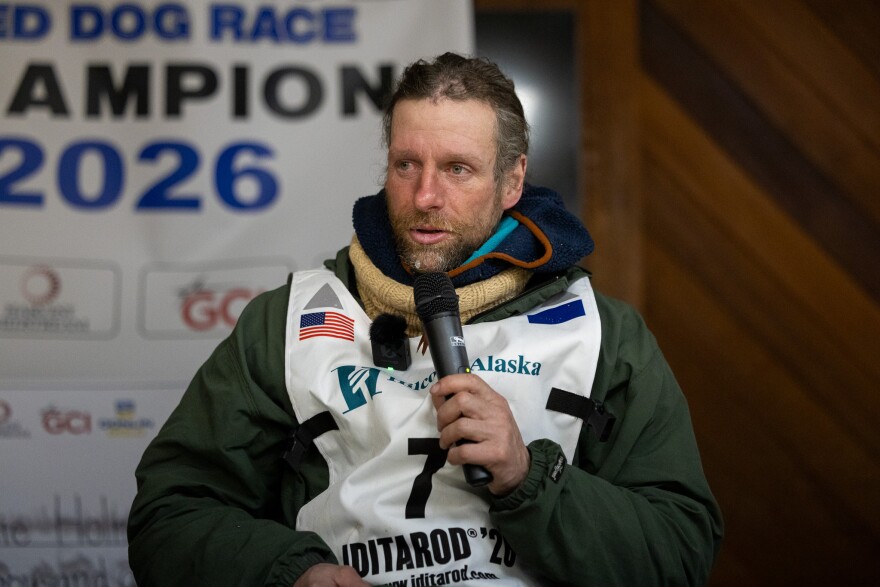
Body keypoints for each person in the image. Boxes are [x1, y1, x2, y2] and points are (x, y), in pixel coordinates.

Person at [127, 52, 723, 586]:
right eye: (406, 164)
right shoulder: (287, 321)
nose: (425, 197)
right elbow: (170, 514)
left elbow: (679, 551)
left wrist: (527, 475)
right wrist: (291, 572)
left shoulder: (602, 336)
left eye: (458, 169)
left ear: (512, 181)